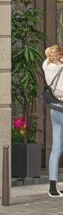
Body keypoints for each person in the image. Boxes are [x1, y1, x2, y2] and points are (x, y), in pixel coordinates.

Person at [43, 45, 63, 198]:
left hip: (54, 109)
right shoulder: (61, 69)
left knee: (56, 149)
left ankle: (52, 187)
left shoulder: (46, 65)